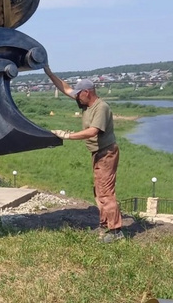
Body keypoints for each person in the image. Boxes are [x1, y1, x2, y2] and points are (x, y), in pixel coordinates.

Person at [44, 66, 124, 242]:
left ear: (87, 92)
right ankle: (105, 226)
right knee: (99, 191)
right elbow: (65, 88)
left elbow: (92, 131)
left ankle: (116, 231)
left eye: (79, 94)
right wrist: (49, 73)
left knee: (105, 192)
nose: (76, 97)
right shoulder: (85, 103)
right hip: (97, 153)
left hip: (106, 153)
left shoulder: (100, 108)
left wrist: (67, 135)